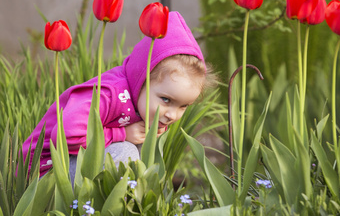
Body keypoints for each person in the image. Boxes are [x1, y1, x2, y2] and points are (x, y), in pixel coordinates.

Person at [22, 11, 216, 181]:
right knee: (125, 152)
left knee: (143, 155)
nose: (172, 115)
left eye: (183, 106)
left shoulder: (144, 104)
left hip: (76, 166)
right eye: (166, 100)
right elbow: (65, 134)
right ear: (142, 80)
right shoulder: (109, 94)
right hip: (43, 176)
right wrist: (121, 134)